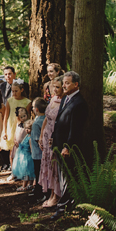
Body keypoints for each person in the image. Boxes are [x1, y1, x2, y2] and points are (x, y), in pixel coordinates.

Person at [51, 71, 89, 219]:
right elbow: (59, 122)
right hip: (59, 144)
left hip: (68, 147)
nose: (64, 86)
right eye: (64, 83)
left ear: (76, 84)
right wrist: (54, 138)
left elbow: (76, 129)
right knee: (62, 176)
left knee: (68, 177)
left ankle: (63, 208)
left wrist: (68, 146)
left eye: (67, 83)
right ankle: (67, 205)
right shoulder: (66, 98)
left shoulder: (79, 103)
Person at [40, 78, 64, 208]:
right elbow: (46, 118)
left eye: (58, 87)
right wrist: (41, 135)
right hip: (47, 134)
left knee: (55, 165)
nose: (55, 90)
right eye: (54, 87)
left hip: (55, 136)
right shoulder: (53, 99)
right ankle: (51, 194)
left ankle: (57, 195)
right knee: (48, 165)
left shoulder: (64, 102)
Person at [1, 80, 30, 171]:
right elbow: (6, 116)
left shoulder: (27, 102)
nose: (14, 93)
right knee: (12, 150)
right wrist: (4, 131)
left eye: (16, 91)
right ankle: (13, 170)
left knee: (21, 149)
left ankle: (21, 170)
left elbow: (28, 118)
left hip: (21, 129)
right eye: (12, 91)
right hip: (11, 127)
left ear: (21, 90)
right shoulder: (10, 100)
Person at [28, 97, 47, 201]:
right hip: (42, 153)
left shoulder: (36, 123)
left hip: (37, 153)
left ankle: (39, 192)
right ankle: (38, 191)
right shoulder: (45, 119)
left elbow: (35, 138)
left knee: (38, 173)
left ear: (36, 109)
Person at [11, 108, 35, 191]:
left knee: (27, 172)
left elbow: (31, 148)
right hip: (24, 156)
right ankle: (29, 184)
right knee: (28, 172)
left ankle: (26, 185)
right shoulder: (27, 136)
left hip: (27, 157)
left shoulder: (30, 138)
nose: (27, 130)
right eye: (26, 128)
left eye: (29, 129)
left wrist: (32, 154)